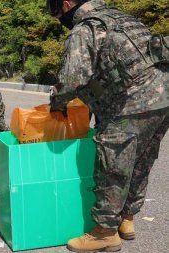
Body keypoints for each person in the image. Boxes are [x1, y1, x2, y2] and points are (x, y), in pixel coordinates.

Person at [46, 0, 169, 252]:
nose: (58, 18)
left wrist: (57, 103)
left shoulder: (85, 29)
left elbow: (71, 78)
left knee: (112, 164)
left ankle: (104, 232)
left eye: (56, 11)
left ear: (67, 4)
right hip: (164, 96)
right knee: (141, 160)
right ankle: (127, 219)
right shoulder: (122, 18)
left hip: (133, 102)